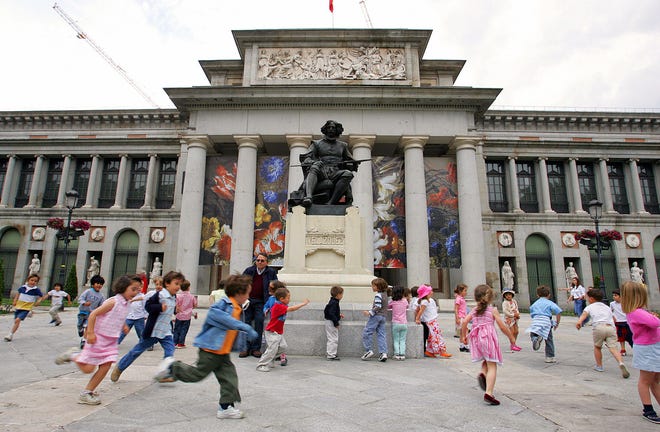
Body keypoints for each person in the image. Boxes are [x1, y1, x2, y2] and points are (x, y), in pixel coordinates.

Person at [153, 274, 259, 420]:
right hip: (211, 349)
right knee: (197, 374)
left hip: (222, 351)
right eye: (247, 292)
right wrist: (244, 327)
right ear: (239, 293)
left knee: (229, 378)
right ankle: (172, 367)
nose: (249, 295)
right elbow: (216, 315)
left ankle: (226, 407)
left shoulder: (238, 306)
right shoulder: (224, 304)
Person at [54, 275, 142, 405]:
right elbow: (93, 314)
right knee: (88, 369)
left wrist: (123, 325)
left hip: (111, 341)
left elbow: (119, 315)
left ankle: (87, 392)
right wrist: (89, 332)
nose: (135, 293)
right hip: (98, 338)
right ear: (123, 288)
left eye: (137, 290)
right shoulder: (113, 301)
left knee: (105, 366)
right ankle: (73, 355)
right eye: (133, 289)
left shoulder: (126, 303)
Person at [111, 271, 185, 382]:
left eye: (180, 284)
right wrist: (159, 307)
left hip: (165, 331)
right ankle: (120, 367)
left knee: (170, 351)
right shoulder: (160, 295)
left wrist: (175, 310)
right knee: (137, 351)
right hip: (153, 331)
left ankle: (164, 374)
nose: (178, 287)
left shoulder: (174, 297)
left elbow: (168, 310)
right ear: (167, 283)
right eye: (176, 283)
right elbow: (148, 306)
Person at [461, 284, 518, 406]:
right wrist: (511, 338)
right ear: (490, 297)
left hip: (476, 339)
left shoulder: (474, 310)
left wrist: (463, 336)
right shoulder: (493, 310)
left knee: (486, 361)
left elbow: (465, 321)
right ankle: (489, 393)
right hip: (488, 338)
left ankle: (482, 372)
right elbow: (502, 326)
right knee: (492, 365)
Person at [621, 281, 660, 424]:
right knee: (646, 380)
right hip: (647, 349)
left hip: (653, 347)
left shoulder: (639, 311)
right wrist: (654, 317)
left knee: (655, 380)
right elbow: (655, 323)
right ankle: (648, 410)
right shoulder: (635, 312)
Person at [295, 120, 358, 207]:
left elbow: (350, 160)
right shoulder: (317, 144)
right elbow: (306, 158)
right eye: (329, 127)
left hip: (336, 172)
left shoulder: (343, 145)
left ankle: (331, 202)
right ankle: (308, 197)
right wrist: (314, 162)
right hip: (322, 171)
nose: (331, 129)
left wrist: (354, 163)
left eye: (333, 128)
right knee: (315, 166)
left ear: (337, 130)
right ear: (325, 129)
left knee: (348, 174)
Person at [576, 288, 630, 378]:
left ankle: (599, 366)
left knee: (597, 347)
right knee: (613, 348)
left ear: (592, 299)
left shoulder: (590, 307)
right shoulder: (606, 307)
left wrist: (579, 322)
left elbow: (584, 315)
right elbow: (614, 319)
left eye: (588, 297)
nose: (587, 299)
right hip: (610, 328)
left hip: (599, 327)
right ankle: (621, 363)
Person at [256, 287, 309, 371]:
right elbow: (292, 309)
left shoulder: (282, 305)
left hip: (278, 332)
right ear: (281, 299)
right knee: (272, 349)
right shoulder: (278, 306)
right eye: (288, 297)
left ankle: (271, 359)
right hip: (272, 332)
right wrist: (303, 304)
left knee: (283, 347)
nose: (289, 299)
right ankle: (261, 364)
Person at [241, 253, 278, 358]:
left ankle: (256, 349)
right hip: (248, 300)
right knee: (246, 323)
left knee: (259, 322)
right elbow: (241, 283)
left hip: (262, 302)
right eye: (258, 260)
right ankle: (245, 348)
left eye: (262, 260)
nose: (260, 262)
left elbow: (276, 286)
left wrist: (273, 300)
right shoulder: (249, 271)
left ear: (267, 262)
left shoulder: (271, 272)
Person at [526, 285, 562, 363]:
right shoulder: (549, 303)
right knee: (549, 339)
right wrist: (557, 323)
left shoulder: (535, 303)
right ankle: (550, 357)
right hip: (546, 321)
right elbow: (558, 311)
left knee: (533, 334)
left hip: (536, 320)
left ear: (538, 295)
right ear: (549, 295)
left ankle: (535, 339)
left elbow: (531, 312)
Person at [415, 283, 452, 358]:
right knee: (437, 336)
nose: (432, 292)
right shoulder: (425, 301)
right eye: (430, 291)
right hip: (431, 321)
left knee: (432, 336)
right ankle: (442, 351)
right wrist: (417, 319)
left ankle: (430, 351)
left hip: (431, 320)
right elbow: (420, 311)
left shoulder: (426, 301)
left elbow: (418, 310)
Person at [4, 274, 44, 342]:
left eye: (35, 281)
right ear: (28, 280)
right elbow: (18, 294)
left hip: (26, 308)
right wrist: (15, 300)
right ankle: (29, 314)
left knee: (17, 320)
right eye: (32, 280)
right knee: (16, 321)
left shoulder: (36, 290)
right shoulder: (22, 288)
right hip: (19, 307)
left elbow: (41, 296)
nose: (33, 282)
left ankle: (10, 334)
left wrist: (38, 302)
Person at [361, 277, 390, 362]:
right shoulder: (385, 295)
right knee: (381, 334)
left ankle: (368, 350)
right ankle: (383, 353)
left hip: (376, 316)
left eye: (373, 286)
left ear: (378, 287)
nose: (372, 287)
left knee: (367, 332)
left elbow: (378, 306)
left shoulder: (378, 295)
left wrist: (370, 312)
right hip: (383, 317)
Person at [77, 275, 106, 348]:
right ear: (93, 284)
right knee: (79, 325)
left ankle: (84, 340)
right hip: (82, 312)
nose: (99, 285)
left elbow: (102, 305)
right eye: (97, 283)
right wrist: (84, 303)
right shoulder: (88, 291)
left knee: (87, 326)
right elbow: (80, 299)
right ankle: (80, 329)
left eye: (101, 284)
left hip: (91, 314)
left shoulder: (101, 296)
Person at [174, 279, 198, 348]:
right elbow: (195, 305)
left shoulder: (178, 296)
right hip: (187, 316)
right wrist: (190, 308)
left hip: (179, 315)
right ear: (188, 287)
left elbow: (176, 304)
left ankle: (175, 342)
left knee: (177, 329)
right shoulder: (191, 296)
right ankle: (181, 343)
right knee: (184, 329)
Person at [610, 290, 634, 356]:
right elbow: (610, 311)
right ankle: (623, 349)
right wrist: (613, 316)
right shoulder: (612, 304)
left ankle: (634, 347)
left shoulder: (626, 303)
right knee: (621, 336)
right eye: (613, 295)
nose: (614, 297)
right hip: (618, 322)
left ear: (621, 296)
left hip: (626, 322)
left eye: (616, 295)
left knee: (630, 335)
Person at [388, 285, 408, 360]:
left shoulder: (392, 301)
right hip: (404, 323)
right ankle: (402, 354)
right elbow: (407, 306)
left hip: (396, 323)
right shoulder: (405, 301)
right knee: (403, 339)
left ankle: (396, 354)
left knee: (396, 340)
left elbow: (388, 307)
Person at [324, 285, 344, 361]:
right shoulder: (334, 303)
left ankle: (331, 353)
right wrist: (336, 323)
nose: (342, 296)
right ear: (338, 295)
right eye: (342, 294)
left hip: (329, 321)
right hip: (331, 322)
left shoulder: (332, 301)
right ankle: (331, 355)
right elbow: (331, 313)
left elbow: (329, 311)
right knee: (333, 338)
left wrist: (338, 315)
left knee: (332, 338)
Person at [454, 283, 469, 351]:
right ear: (460, 291)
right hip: (461, 317)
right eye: (465, 290)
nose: (466, 292)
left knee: (462, 332)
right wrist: (457, 318)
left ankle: (462, 345)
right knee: (464, 331)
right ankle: (465, 345)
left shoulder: (461, 299)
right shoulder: (458, 299)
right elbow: (456, 309)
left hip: (463, 316)